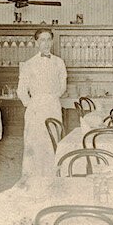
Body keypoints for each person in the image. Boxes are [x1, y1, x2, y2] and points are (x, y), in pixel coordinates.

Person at [17, 28, 67, 176]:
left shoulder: (59, 62)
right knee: (35, 142)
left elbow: (62, 86)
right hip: (35, 109)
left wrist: (51, 98)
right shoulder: (29, 64)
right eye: (42, 40)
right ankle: (33, 178)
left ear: (52, 42)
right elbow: (21, 91)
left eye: (48, 40)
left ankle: (52, 176)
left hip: (53, 106)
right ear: (36, 42)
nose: (45, 43)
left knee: (52, 140)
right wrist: (33, 104)